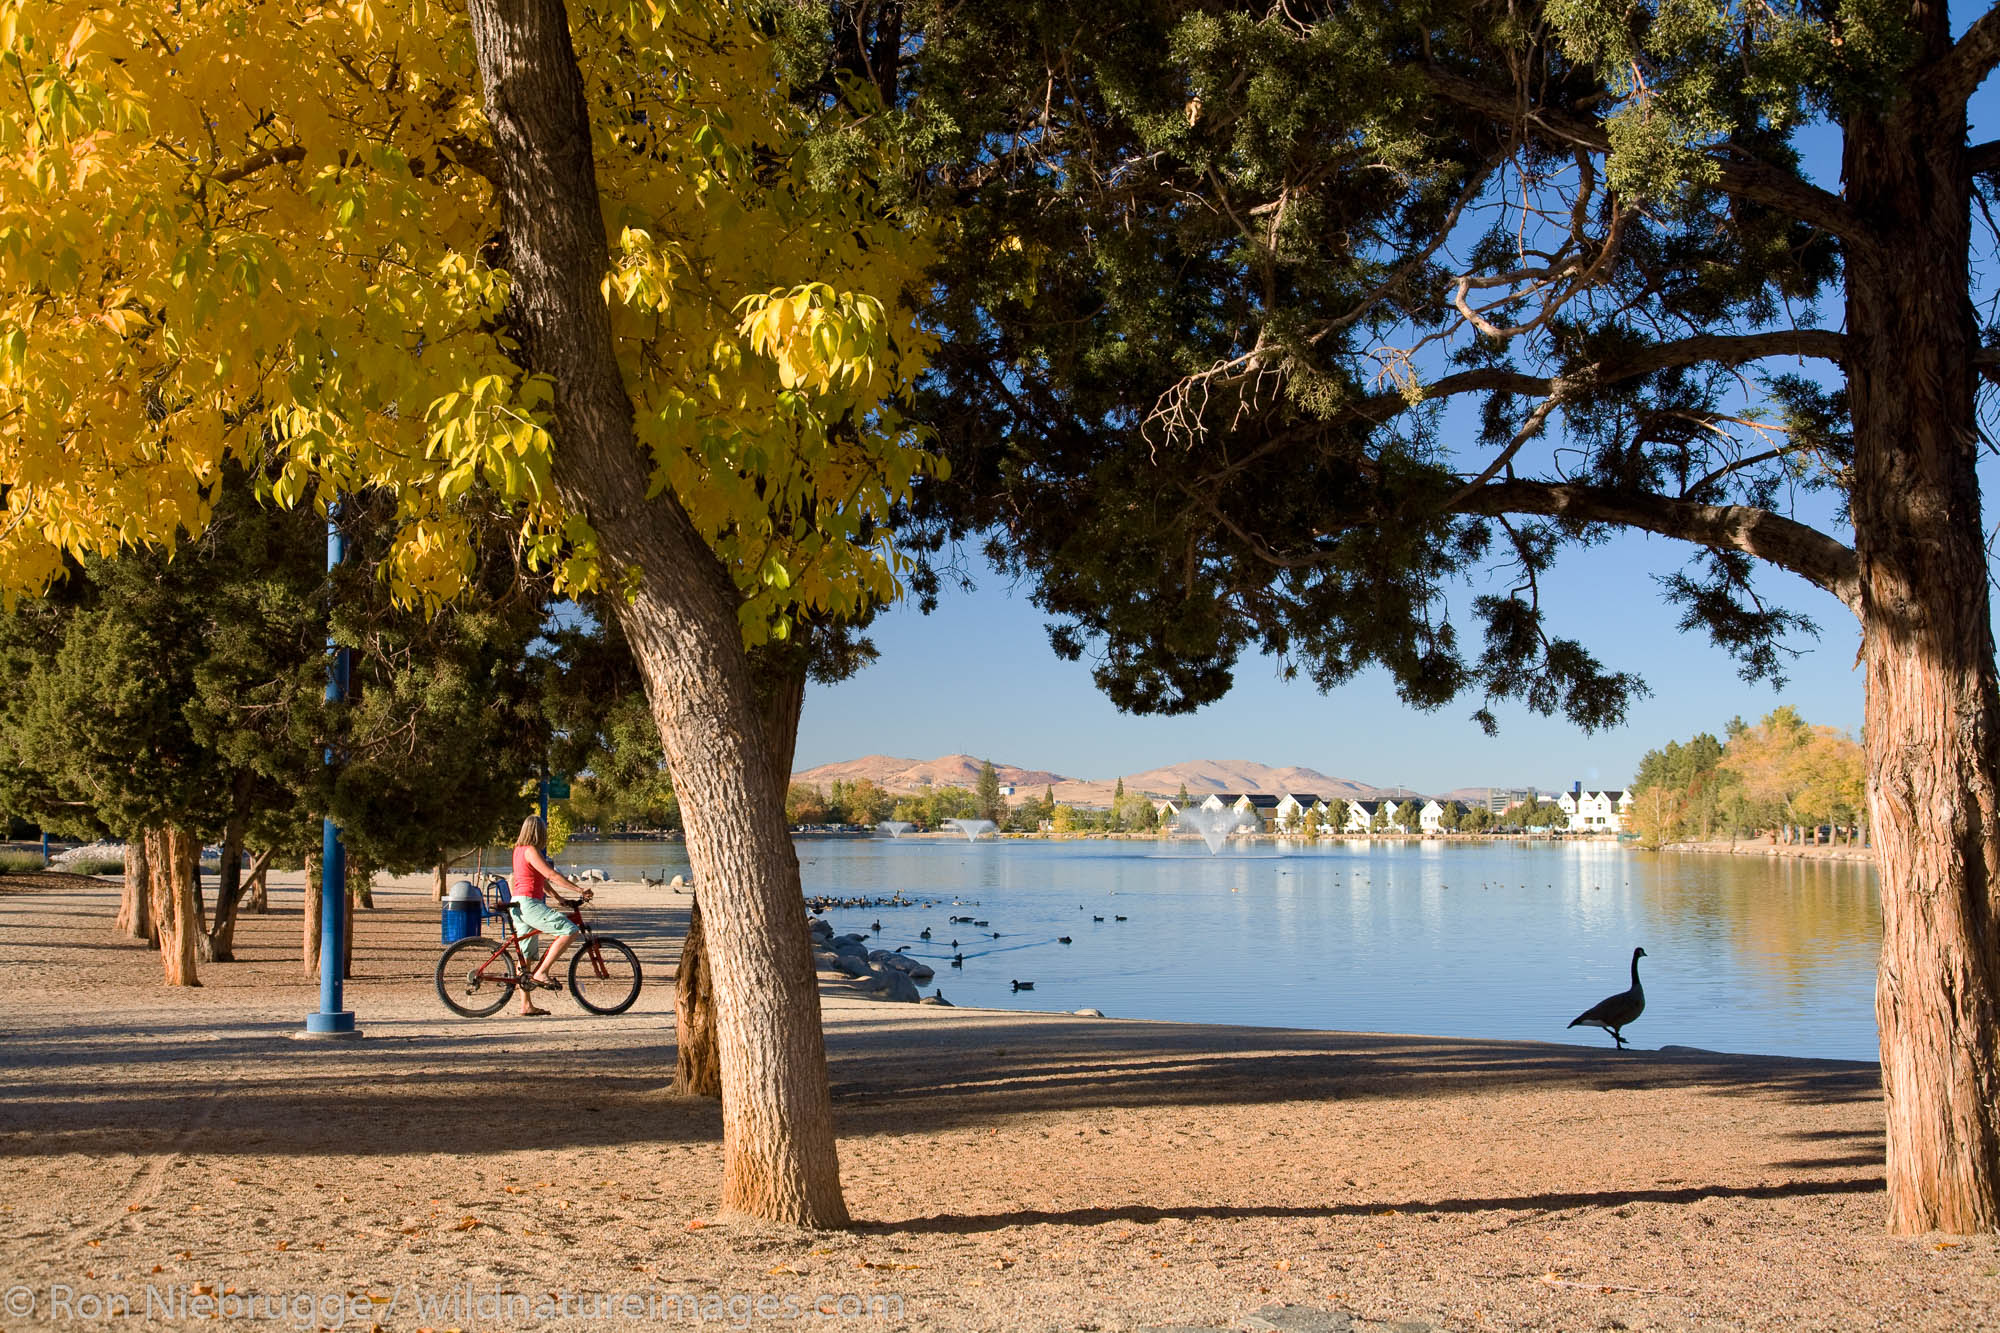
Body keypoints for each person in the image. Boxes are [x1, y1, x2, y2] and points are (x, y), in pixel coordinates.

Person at [509, 815, 591, 1016]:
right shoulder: (531, 850)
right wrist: (579, 889)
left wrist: (558, 897)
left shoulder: (518, 851)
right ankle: (542, 972)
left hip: (518, 902)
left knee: (525, 956)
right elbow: (551, 875)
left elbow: (539, 879)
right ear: (539, 832)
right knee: (570, 930)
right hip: (529, 904)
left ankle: (526, 1005)